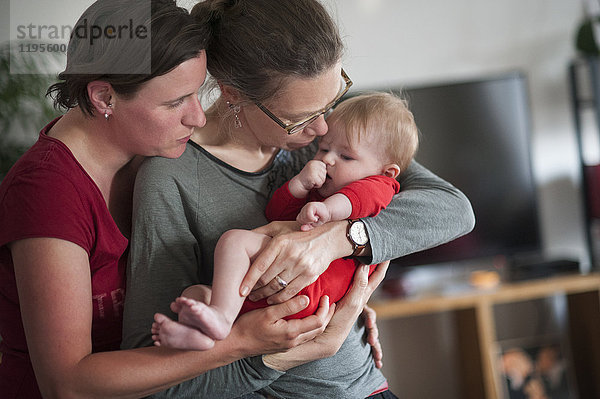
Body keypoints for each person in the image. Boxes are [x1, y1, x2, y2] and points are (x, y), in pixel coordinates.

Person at [0, 1, 381, 398]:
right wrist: (243, 342)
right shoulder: (47, 195)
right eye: (174, 102)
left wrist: (335, 288)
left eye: (198, 93)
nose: (198, 117)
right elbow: (67, 385)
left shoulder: (147, 152)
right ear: (104, 98)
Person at [122, 1, 475, 398]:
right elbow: (151, 382)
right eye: (302, 118)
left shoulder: (329, 143)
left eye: (330, 102)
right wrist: (274, 357)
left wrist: (337, 239)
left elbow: (452, 209)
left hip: (369, 388)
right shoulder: (171, 179)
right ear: (233, 94)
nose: (324, 127)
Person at [151, 91, 419, 350]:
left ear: (388, 171)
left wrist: (327, 211)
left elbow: (359, 200)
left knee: (234, 241)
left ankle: (220, 320)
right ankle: (201, 336)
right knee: (195, 295)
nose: (327, 159)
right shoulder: (323, 190)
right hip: (281, 290)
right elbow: (276, 215)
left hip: (311, 290)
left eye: (345, 156)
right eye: (324, 149)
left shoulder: (381, 185)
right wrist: (299, 185)